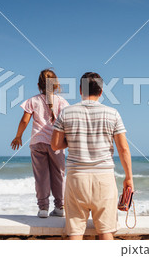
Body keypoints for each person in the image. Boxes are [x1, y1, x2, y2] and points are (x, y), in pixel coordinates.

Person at [51, 72, 133, 240]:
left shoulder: (66, 113)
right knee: (106, 231)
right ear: (101, 92)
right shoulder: (113, 113)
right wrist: (128, 177)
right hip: (104, 179)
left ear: (81, 90)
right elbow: (123, 149)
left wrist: (72, 141)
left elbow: (55, 145)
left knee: (75, 232)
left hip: (76, 179)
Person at [11, 69, 69, 218]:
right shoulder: (62, 102)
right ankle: (60, 207)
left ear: (39, 85)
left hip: (37, 143)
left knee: (41, 176)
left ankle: (43, 209)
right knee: (59, 175)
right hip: (57, 143)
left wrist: (18, 136)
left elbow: (25, 120)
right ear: (56, 85)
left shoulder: (32, 100)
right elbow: (68, 123)